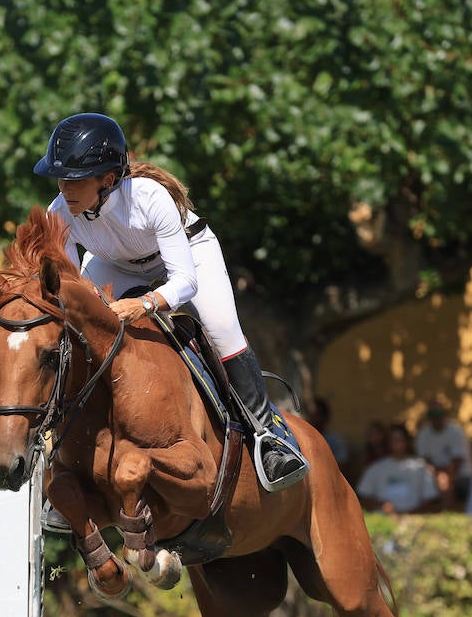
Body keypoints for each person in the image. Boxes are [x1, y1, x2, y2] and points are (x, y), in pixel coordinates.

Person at [33, 112, 307, 493]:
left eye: (75, 179)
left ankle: (269, 438)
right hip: (116, 265)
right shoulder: (59, 213)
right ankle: (70, 453)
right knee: (79, 332)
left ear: (108, 180)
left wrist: (144, 305)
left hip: (187, 254)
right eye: (60, 178)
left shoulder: (150, 198)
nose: (64, 188)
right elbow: (72, 287)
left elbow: (185, 281)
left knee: (223, 329)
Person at [356, 423, 439, 516]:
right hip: (383, 520)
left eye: (400, 439)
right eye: (392, 440)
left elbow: (430, 499)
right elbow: (364, 497)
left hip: (415, 519)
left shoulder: (421, 467)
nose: (396, 443)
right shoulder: (375, 468)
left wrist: (412, 514)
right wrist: (382, 505)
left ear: (407, 441)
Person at [413, 398, 472, 511]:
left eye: (439, 413)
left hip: (461, 477)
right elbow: (426, 462)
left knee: (445, 481)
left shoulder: (456, 432)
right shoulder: (423, 434)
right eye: (432, 414)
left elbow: (456, 464)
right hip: (432, 475)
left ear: (445, 414)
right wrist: (437, 476)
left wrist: (442, 477)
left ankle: (445, 516)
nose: (436, 417)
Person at [307, 397, 350, 469]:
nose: (314, 418)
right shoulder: (301, 440)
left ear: (326, 417)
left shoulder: (335, 441)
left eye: (317, 415)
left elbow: (342, 464)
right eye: (311, 415)